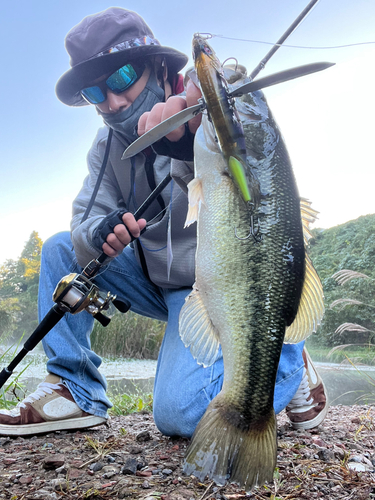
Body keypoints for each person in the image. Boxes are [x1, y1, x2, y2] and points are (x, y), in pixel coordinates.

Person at [0, 7, 328, 436]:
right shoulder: (104, 148)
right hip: (158, 282)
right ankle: (75, 390)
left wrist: (193, 142)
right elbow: (85, 219)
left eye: (120, 78)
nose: (113, 101)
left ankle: (285, 356)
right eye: (96, 94)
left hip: (227, 282)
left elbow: (260, 190)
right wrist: (99, 231)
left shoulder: (206, 112)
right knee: (61, 247)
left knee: (179, 415)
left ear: (157, 65)